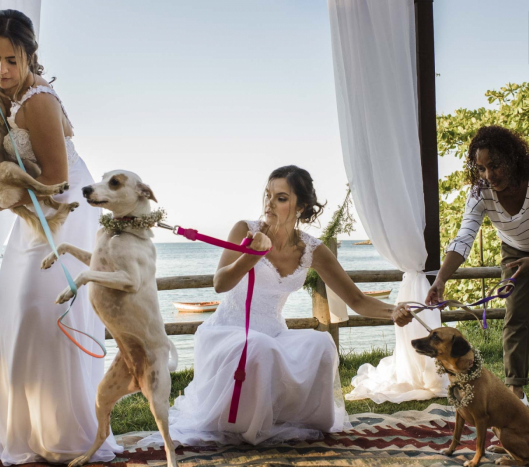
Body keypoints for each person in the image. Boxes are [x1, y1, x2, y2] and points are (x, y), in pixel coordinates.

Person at [140, 165, 413, 447]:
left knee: (320, 343)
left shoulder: (312, 249)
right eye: (268, 195)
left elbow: (356, 300)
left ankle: (304, 421)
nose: (269, 203)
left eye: (281, 198)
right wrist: (251, 255)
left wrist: (392, 311)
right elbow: (220, 283)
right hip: (228, 332)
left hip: (273, 332)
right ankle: (247, 424)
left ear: (301, 207)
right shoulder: (245, 229)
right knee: (260, 346)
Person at [0, 10, 122, 463]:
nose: (2, 69)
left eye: (12, 59)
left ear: (30, 55)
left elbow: (57, 176)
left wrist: (3, 192)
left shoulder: (37, 100)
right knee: (16, 311)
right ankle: (27, 428)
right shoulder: (3, 93)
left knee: (41, 314)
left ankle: (65, 432)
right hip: (34, 210)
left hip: (62, 208)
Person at [426, 125, 529, 410]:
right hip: (516, 250)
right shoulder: (480, 192)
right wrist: (440, 279)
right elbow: (465, 235)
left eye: (495, 165)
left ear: (513, 158)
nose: (489, 176)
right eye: (481, 168)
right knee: (514, 315)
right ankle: (517, 390)